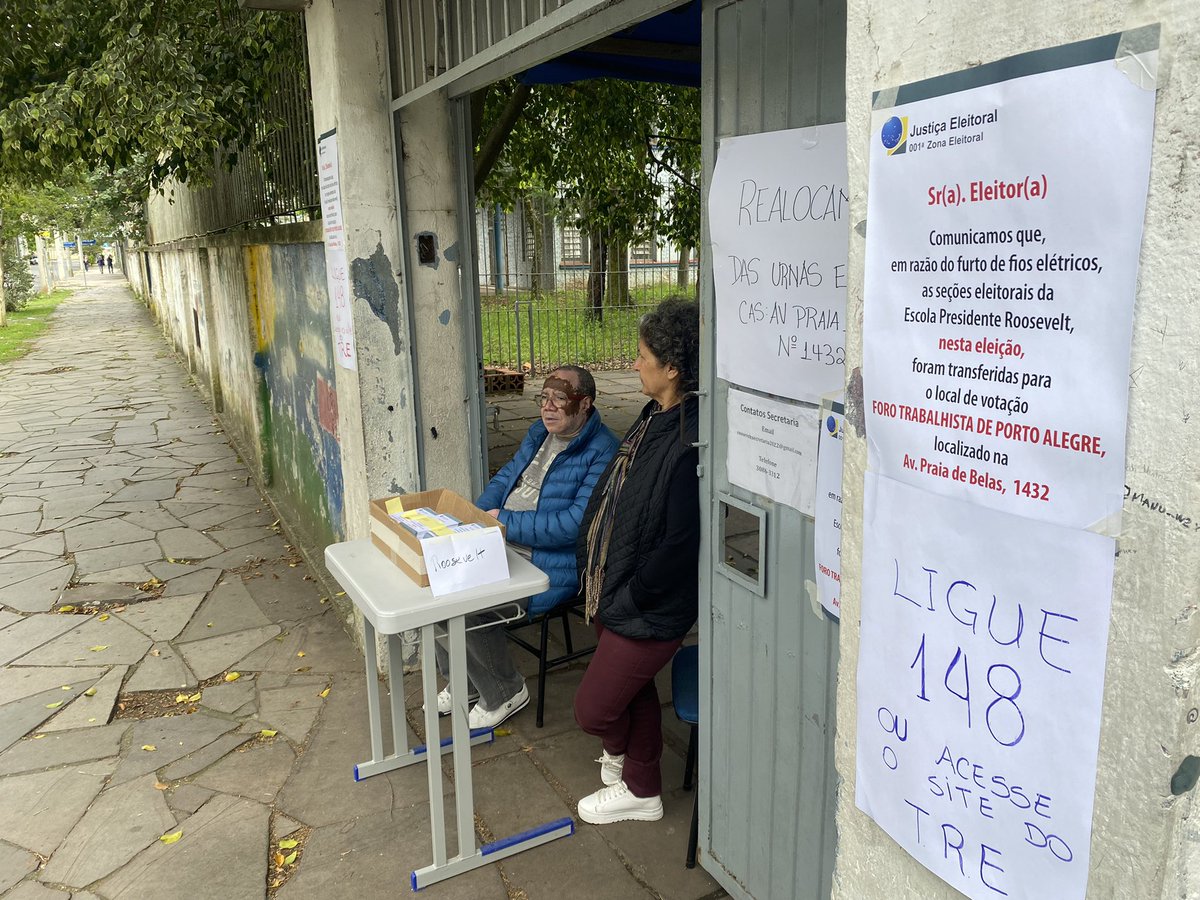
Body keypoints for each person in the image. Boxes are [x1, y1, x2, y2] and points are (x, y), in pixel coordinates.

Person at [573, 296, 701, 825]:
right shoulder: (656, 415)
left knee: (594, 709)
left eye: (643, 355)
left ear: (671, 368)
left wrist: (631, 596)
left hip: (647, 604)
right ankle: (642, 789)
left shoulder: (689, 439)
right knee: (636, 689)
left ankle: (626, 763)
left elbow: (680, 545)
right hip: (621, 589)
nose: (635, 363)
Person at [434, 364, 619, 729]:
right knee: (437, 583)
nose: (548, 408)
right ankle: (466, 680)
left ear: (585, 405)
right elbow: (505, 478)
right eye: (544, 398)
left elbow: (573, 526)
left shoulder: (604, 451)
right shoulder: (539, 433)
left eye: (560, 399)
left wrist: (502, 522)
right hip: (504, 539)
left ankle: (505, 690)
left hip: (551, 563)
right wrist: (479, 516)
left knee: (469, 603)